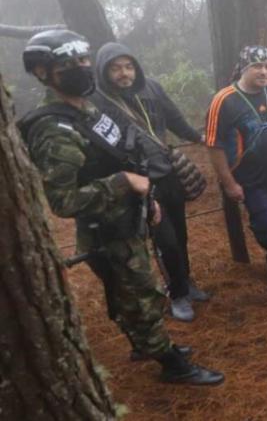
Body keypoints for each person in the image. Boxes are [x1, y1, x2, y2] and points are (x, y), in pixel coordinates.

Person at [18, 30, 223, 385]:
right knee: (142, 294)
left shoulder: (86, 108)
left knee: (128, 292)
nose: (81, 68)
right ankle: (170, 363)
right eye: (69, 64)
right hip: (106, 230)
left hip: (127, 216)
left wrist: (146, 197)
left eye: (83, 60)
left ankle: (145, 344)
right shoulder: (54, 128)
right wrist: (124, 184)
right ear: (42, 72)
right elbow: (62, 201)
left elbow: (122, 156)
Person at [91, 42, 209, 323]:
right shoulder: (98, 102)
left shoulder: (151, 88)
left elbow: (173, 117)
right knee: (164, 240)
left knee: (180, 235)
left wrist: (198, 137)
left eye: (128, 66)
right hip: (140, 182)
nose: (124, 73)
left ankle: (186, 282)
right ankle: (177, 294)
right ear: (104, 71)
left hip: (168, 174)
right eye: (116, 68)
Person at [206, 46, 267, 310]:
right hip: (251, 181)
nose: (264, 71)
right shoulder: (224, 100)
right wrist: (229, 183)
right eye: (257, 66)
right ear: (243, 68)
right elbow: (214, 147)